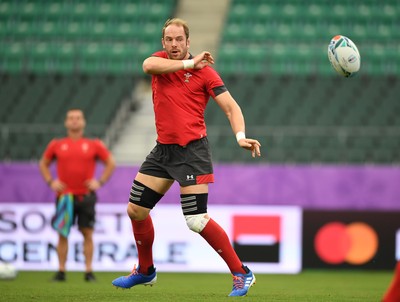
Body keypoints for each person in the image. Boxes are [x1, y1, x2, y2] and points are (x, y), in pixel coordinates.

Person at [111, 18, 261, 297]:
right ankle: (146, 271)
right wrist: (190, 64)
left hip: (192, 151)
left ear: (188, 42)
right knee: (136, 210)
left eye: (179, 39)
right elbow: (147, 66)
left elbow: (231, 107)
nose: (174, 44)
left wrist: (240, 137)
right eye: (169, 39)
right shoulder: (160, 62)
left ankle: (242, 272)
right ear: (163, 43)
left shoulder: (206, 74)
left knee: (196, 220)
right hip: (163, 151)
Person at [39, 108, 115, 282]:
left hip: (86, 197)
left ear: (83, 122)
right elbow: (43, 163)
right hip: (65, 197)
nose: (74, 121)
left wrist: (100, 182)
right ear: (66, 122)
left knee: (87, 232)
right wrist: (51, 181)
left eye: (78, 118)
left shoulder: (94, 144)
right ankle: (61, 271)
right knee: (62, 234)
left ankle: (88, 271)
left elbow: (110, 162)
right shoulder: (56, 144)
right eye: (71, 118)